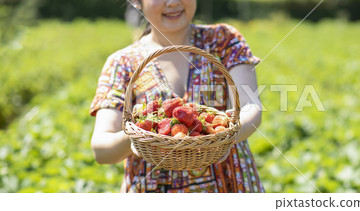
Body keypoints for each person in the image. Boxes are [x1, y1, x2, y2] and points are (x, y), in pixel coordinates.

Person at [89, 0, 264, 193]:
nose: (172, 2)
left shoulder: (223, 40)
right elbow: (101, 149)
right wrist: (138, 136)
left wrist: (227, 136)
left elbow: (251, 106)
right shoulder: (122, 63)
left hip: (228, 184)